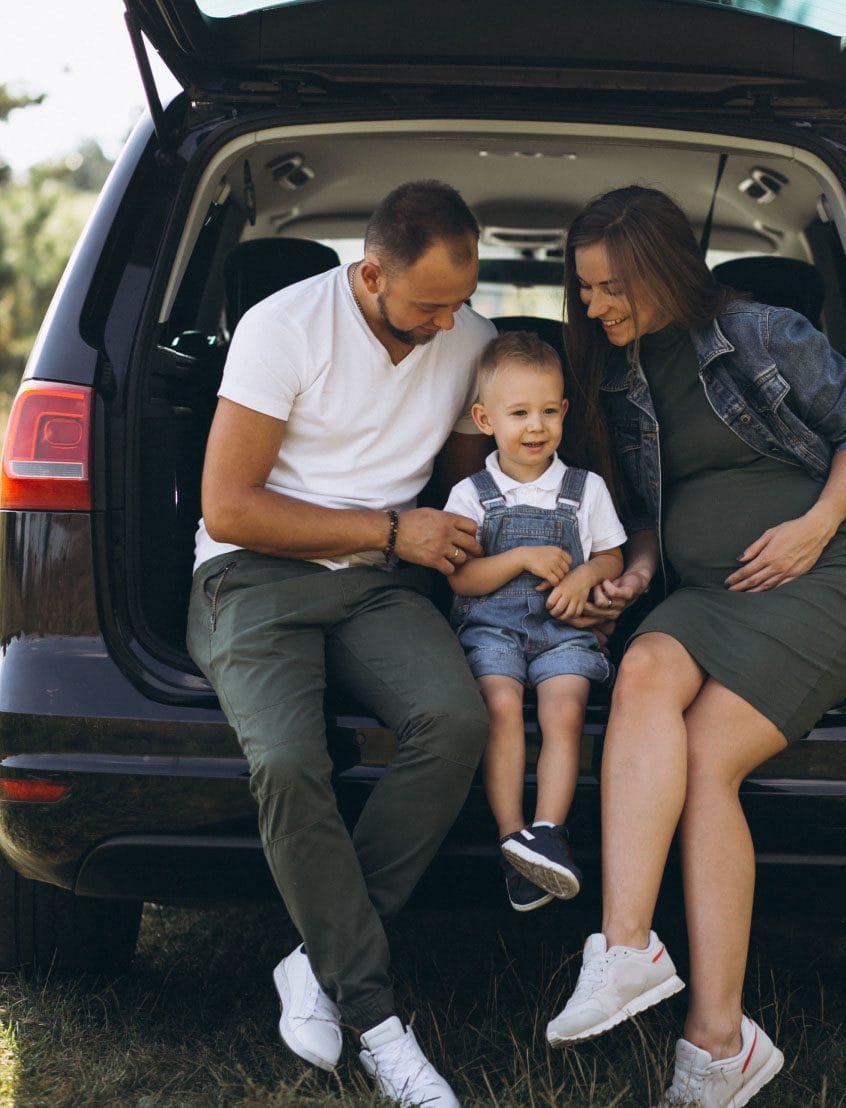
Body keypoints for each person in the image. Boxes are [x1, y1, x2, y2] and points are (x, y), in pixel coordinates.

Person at [545, 186, 846, 1107]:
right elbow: (666, 507)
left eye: (611, 286)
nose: (595, 307)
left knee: (705, 763)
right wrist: (637, 569)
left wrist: (815, 525)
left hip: (818, 582)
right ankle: (626, 949)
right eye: (584, 290)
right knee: (646, 671)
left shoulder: (758, 332)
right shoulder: (616, 376)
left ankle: (718, 1040)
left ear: (663, 268)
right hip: (704, 592)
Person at [186, 180, 497, 1108]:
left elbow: (473, 489)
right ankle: (374, 1016)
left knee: (453, 722)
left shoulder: (468, 337)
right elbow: (228, 505)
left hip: (378, 583)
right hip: (250, 572)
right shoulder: (283, 329)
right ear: (368, 274)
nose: (449, 326)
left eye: (459, 303)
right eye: (429, 306)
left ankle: (315, 964)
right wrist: (391, 531)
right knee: (287, 763)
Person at [444, 331, 626, 912]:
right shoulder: (471, 494)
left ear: (565, 413)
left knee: (563, 710)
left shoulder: (584, 489)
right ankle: (512, 837)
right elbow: (462, 580)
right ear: (484, 418)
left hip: (562, 631)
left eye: (549, 411)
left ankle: (547, 832)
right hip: (491, 629)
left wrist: (583, 578)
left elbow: (611, 556)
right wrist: (521, 557)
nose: (535, 426)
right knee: (499, 705)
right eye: (518, 413)